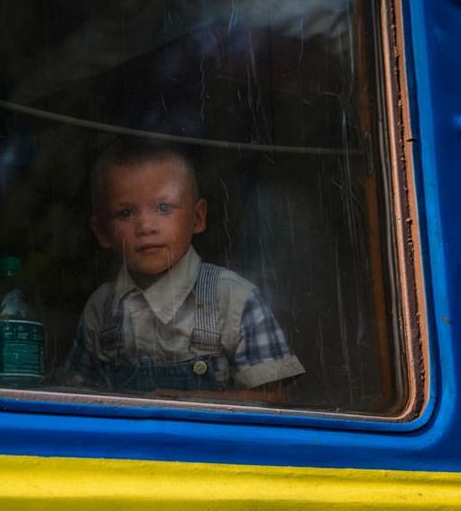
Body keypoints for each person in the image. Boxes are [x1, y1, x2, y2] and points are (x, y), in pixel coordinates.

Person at [60, 142, 305, 398]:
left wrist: (189, 402)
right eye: (125, 213)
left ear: (197, 218)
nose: (145, 226)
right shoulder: (102, 308)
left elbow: (273, 396)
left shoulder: (233, 299)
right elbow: (76, 399)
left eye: (164, 208)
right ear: (102, 232)